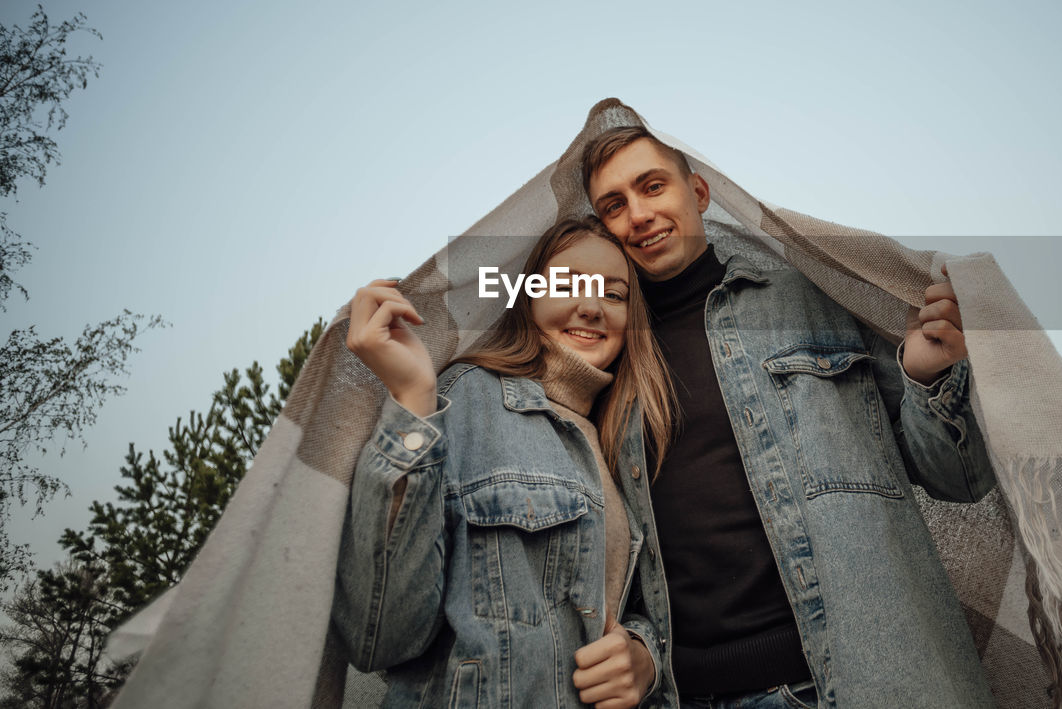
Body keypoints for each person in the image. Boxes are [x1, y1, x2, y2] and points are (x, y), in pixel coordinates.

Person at [581, 127, 999, 708]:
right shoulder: (603, 357)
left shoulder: (816, 297)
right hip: (687, 696)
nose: (640, 215)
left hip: (856, 684)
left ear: (699, 192)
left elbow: (961, 478)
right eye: (614, 206)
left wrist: (927, 376)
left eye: (653, 187)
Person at [332, 216, 679, 708]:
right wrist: (412, 399)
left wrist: (644, 656)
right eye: (567, 284)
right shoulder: (463, 400)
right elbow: (378, 637)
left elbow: (643, 603)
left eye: (614, 295)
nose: (590, 306)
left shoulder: (627, 441)